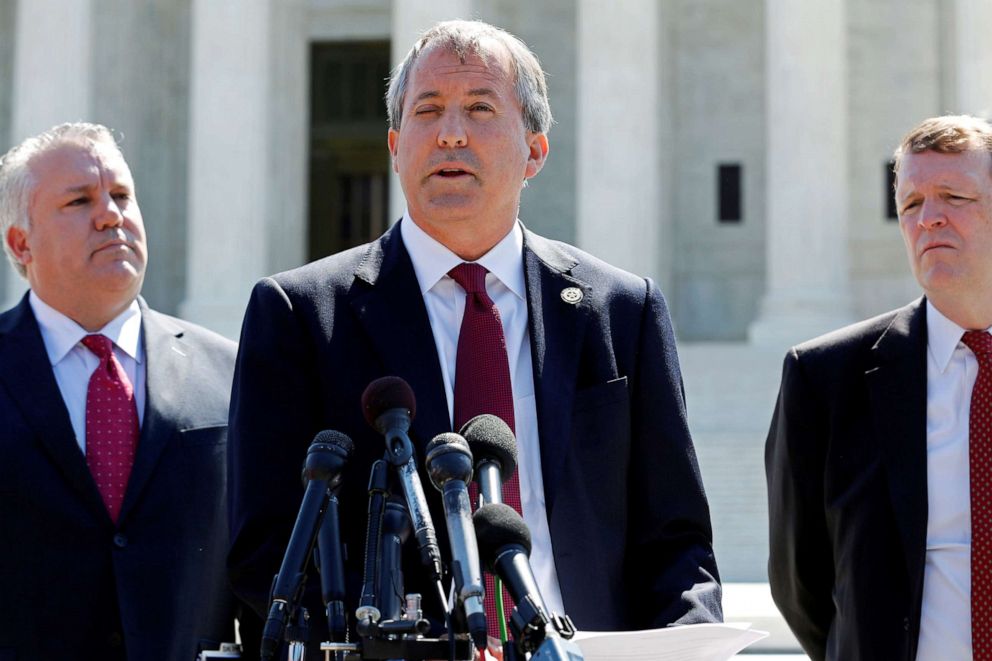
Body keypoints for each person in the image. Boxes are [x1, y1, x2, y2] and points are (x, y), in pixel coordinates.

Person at [228, 19, 721, 656]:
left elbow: (678, 540)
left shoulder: (621, 311)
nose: (450, 132)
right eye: (426, 111)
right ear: (395, 146)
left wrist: (685, 641)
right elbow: (264, 549)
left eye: (480, 108)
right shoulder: (298, 315)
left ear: (535, 152)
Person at [0, 123, 239, 660]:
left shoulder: (227, 371)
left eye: (122, 195)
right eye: (80, 200)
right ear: (21, 242)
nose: (111, 215)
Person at [766, 114, 992, 660]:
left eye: (952, 197)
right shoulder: (825, 378)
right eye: (911, 205)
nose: (929, 219)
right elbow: (801, 582)